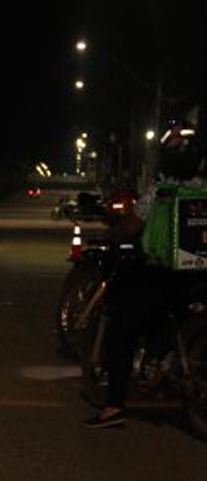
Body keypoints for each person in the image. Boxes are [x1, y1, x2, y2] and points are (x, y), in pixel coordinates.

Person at [82, 120, 206, 428]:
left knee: (122, 323)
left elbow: (132, 225)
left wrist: (107, 236)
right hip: (200, 279)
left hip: (166, 277)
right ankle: (159, 362)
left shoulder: (161, 190)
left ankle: (113, 406)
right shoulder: (204, 186)